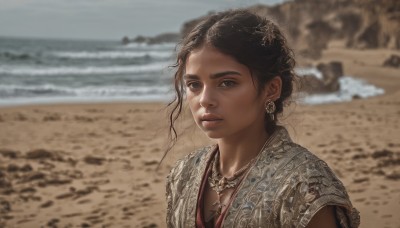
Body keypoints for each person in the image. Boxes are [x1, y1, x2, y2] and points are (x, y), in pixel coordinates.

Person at [165, 9, 360, 228]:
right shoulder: (183, 174)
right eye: (194, 85)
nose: (205, 100)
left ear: (271, 89)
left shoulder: (304, 186)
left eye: (227, 83)